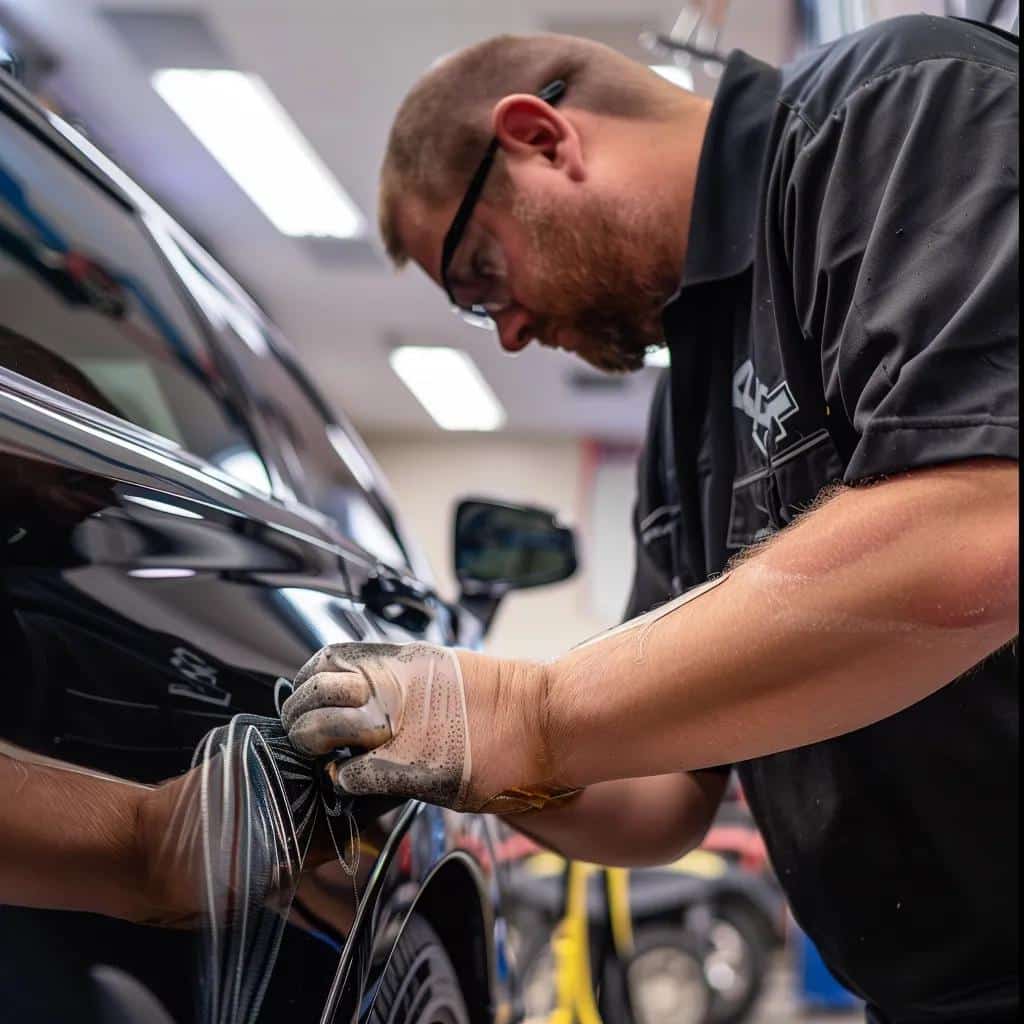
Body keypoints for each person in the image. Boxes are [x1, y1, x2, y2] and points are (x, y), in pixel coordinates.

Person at [282, 14, 1019, 1023]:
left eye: (480, 277)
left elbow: (980, 527)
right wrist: (472, 761)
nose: (508, 333)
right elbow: (665, 791)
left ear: (542, 137)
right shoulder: (686, 421)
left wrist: (530, 714)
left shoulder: (888, 113)